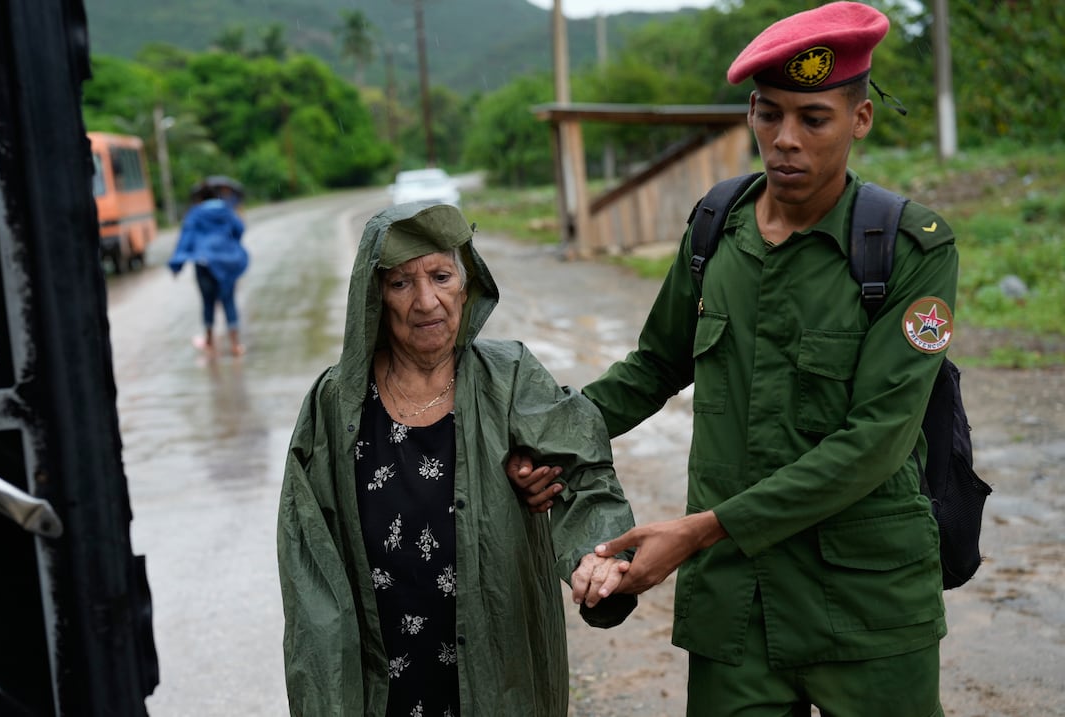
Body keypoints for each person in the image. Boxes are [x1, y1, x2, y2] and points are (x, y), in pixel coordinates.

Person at [509, 3, 958, 715]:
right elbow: (655, 365)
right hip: (737, 609)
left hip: (869, 608)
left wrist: (695, 531)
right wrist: (548, 443)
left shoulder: (909, 250)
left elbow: (876, 441)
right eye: (767, 113)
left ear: (860, 119)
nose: (784, 140)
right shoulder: (716, 228)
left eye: (813, 118)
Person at [278, 202, 637, 716]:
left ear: (465, 289)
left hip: (498, 666)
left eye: (441, 276)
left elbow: (582, 468)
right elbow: (307, 565)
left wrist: (596, 558)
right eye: (401, 283)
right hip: (381, 678)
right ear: (375, 296)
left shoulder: (508, 378)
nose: (426, 301)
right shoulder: (334, 405)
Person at [168, 180, 249, 356]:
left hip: (204, 262)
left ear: (199, 198)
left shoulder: (195, 214)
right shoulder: (227, 210)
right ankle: (235, 344)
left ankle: (210, 342)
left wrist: (177, 264)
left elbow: (186, 239)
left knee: (208, 302)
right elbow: (240, 230)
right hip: (227, 263)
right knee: (229, 301)